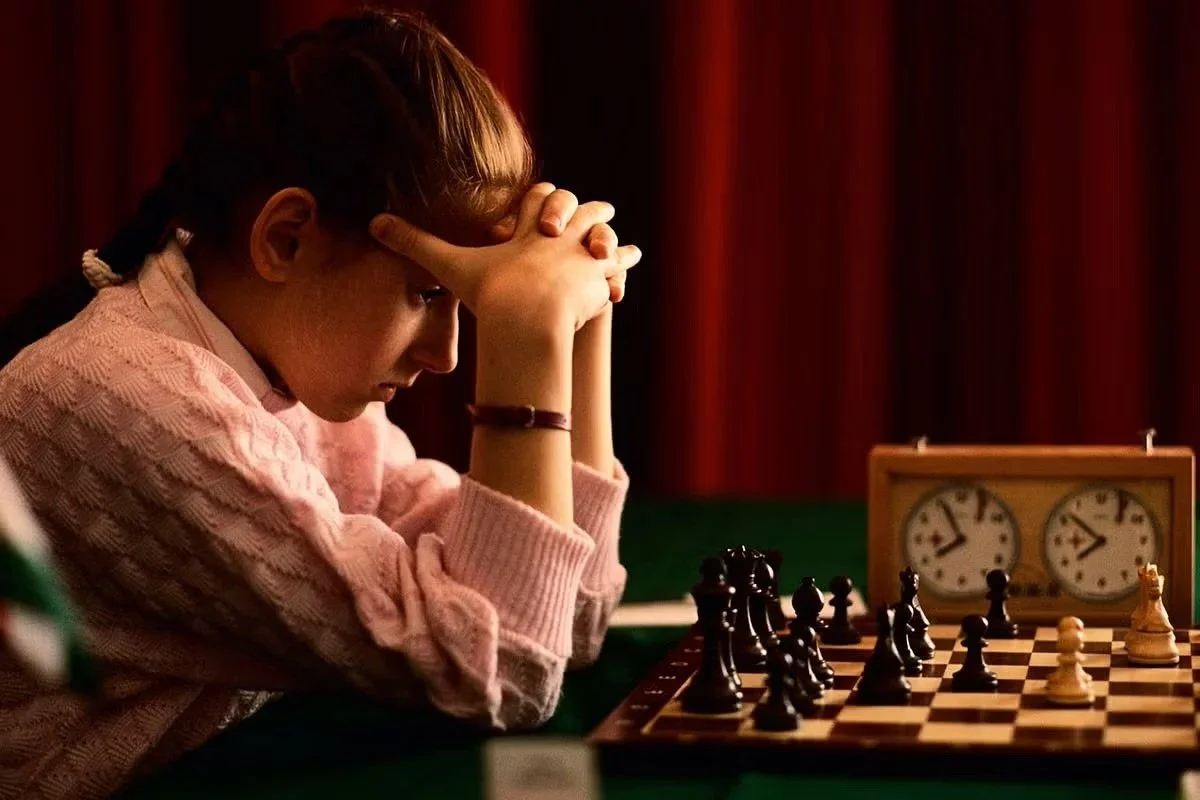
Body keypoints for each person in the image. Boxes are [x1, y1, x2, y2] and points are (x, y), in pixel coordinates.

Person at [0, 8, 641, 799]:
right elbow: (506, 671)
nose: (445, 356)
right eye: (430, 293)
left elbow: (561, 622)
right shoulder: (141, 398)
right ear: (287, 238)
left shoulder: (274, 362)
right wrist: (526, 338)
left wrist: (584, 323)